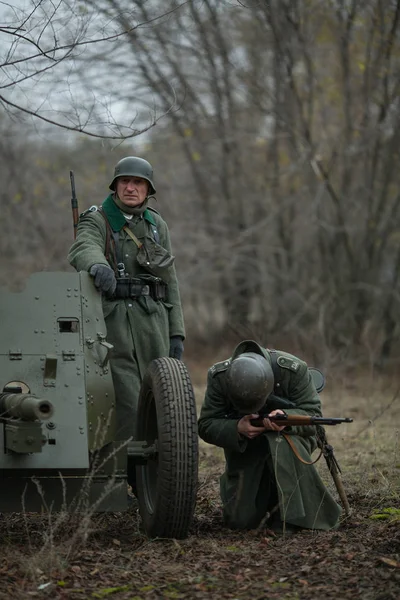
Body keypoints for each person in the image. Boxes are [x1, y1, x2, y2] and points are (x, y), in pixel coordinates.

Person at [68, 156, 185, 443]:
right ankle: (124, 471)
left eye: (138, 182)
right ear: (116, 185)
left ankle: (160, 473)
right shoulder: (97, 219)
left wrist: (177, 331)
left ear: (148, 189)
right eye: (125, 181)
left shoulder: (157, 225)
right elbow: (83, 246)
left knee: (164, 401)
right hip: (114, 324)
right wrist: (97, 265)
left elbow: (170, 280)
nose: (130, 188)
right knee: (128, 401)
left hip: (153, 322)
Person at [198, 340, 342, 532]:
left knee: (279, 442)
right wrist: (237, 428)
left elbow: (313, 415)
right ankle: (258, 499)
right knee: (240, 522)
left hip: (291, 441)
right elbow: (206, 424)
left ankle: (293, 515)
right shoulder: (220, 377)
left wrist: (286, 420)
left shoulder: (293, 369)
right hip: (246, 446)